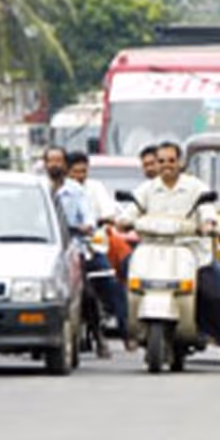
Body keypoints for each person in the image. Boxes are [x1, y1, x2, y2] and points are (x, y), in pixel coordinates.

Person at [117, 141, 220, 372]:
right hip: (152, 250)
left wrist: (208, 225)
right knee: (126, 270)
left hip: (192, 252)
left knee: (213, 291)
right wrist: (124, 222)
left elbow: (207, 212)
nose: (167, 166)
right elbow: (130, 212)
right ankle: (130, 328)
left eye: (171, 161)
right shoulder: (147, 189)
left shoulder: (196, 188)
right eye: (162, 161)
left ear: (181, 162)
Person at [44, 146, 117, 358]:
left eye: (59, 161)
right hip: (46, 249)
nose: (55, 165)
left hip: (75, 248)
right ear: (45, 164)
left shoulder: (76, 191)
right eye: (51, 161)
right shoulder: (39, 188)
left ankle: (99, 336)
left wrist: (83, 227)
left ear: (65, 165)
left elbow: (88, 221)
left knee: (88, 292)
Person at [66, 150, 133, 350]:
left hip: (92, 249)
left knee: (113, 286)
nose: (80, 176)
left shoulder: (95, 188)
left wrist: (102, 221)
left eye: (83, 171)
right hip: (68, 253)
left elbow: (108, 212)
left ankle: (126, 332)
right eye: (75, 172)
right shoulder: (60, 191)